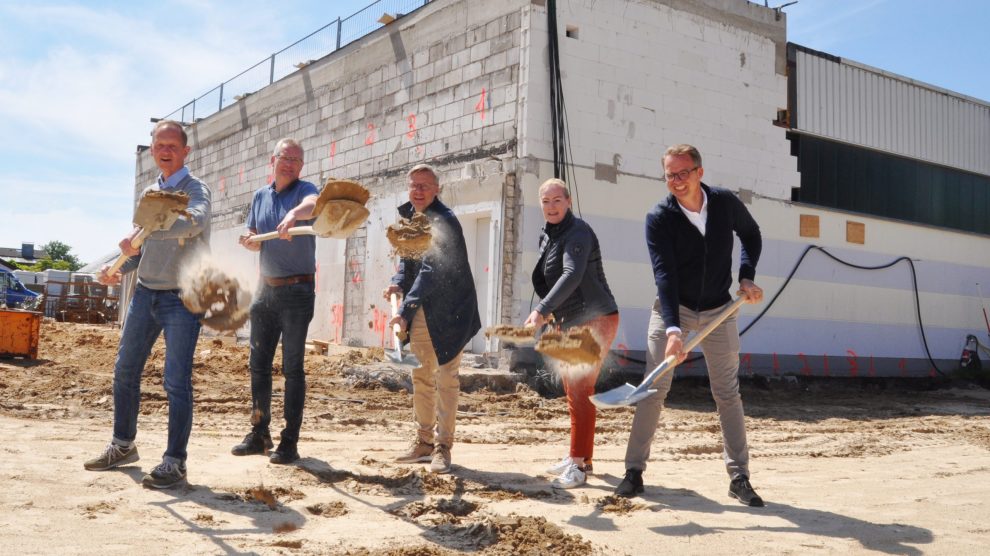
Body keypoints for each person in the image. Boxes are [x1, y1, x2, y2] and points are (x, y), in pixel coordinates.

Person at [616, 144, 766, 507]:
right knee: (653, 388)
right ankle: (634, 471)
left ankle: (739, 476)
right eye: (670, 174)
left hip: (720, 310)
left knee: (727, 392)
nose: (677, 181)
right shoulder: (660, 218)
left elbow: (752, 234)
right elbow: (664, 276)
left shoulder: (725, 203)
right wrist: (672, 331)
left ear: (699, 172)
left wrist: (746, 277)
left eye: (684, 173)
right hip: (675, 310)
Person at [84, 120, 212, 489]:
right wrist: (119, 269)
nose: (166, 150)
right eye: (160, 145)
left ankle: (175, 463)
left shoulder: (195, 189)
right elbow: (144, 249)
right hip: (146, 292)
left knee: (175, 381)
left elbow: (195, 224)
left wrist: (147, 233)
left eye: (174, 145)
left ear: (185, 151)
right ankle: (123, 445)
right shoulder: (150, 191)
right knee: (125, 370)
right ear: (153, 149)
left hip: (183, 298)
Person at [384, 163, 481, 474]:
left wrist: (403, 310)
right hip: (423, 309)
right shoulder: (411, 219)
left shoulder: (445, 222)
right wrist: (398, 282)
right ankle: (424, 441)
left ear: (437, 189)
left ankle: (443, 448)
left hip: (451, 310)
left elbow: (430, 271)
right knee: (422, 376)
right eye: (413, 185)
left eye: (425, 185)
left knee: (446, 379)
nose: (418, 191)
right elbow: (408, 262)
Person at [525, 178, 619, 489]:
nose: (551, 207)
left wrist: (540, 310)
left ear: (568, 202)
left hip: (596, 319)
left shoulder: (578, 232)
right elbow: (554, 279)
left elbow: (572, 274)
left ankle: (578, 466)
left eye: (557, 200)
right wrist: (552, 313)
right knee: (573, 389)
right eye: (546, 202)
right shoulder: (549, 236)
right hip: (571, 320)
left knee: (580, 390)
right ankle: (581, 456)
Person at [231, 138, 319, 465]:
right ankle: (259, 433)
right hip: (264, 291)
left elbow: (314, 204)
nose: (291, 164)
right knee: (258, 365)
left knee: (293, 368)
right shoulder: (260, 196)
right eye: (286, 157)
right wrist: (250, 242)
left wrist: (295, 215)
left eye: (297, 159)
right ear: (274, 160)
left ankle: (289, 442)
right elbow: (255, 238)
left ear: (301, 166)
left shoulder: (305, 191)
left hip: (297, 292)